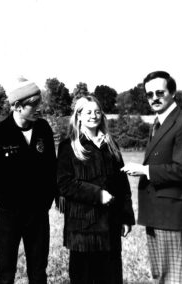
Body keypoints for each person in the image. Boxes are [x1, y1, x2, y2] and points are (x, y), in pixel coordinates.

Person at [0, 77, 57, 284]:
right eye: (34, 104)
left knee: (38, 272)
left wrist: (50, 198)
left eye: (40, 102)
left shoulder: (43, 129)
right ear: (17, 106)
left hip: (38, 215)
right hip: (7, 215)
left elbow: (51, 167)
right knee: (5, 273)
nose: (40, 108)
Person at [57, 95, 135, 284]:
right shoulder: (68, 146)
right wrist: (97, 194)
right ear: (79, 116)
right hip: (82, 230)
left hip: (110, 226)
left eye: (97, 111)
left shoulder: (111, 144)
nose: (94, 116)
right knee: (84, 278)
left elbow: (122, 184)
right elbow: (64, 183)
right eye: (88, 112)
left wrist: (126, 217)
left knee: (111, 277)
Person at [121, 71, 182, 283]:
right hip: (156, 213)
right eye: (149, 94)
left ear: (172, 92)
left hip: (172, 214)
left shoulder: (181, 122)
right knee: (161, 276)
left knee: (173, 277)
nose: (154, 98)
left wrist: (145, 170)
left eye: (160, 92)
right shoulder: (158, 123)